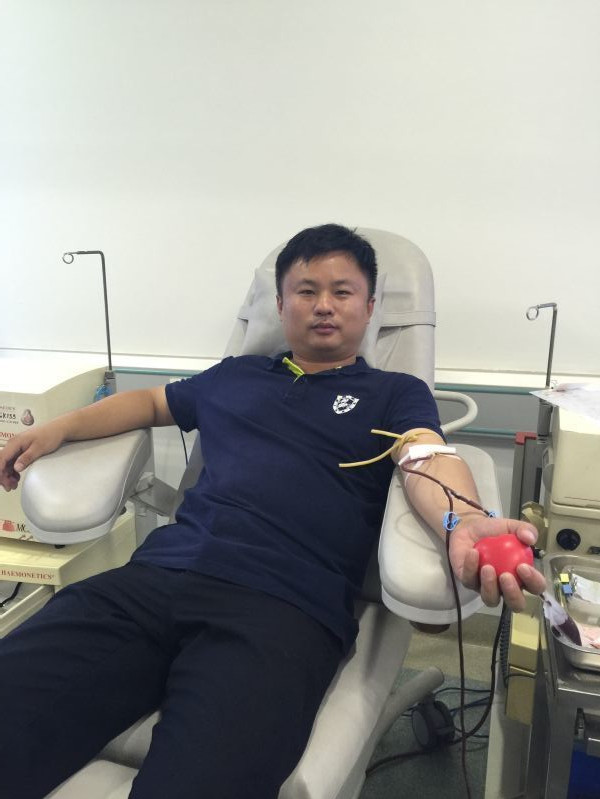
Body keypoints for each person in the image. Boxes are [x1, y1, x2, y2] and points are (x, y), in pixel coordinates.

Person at [0, 224, 545, 799]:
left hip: (282, 609)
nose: (324, 305)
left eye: (342, 291)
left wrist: (464, 518)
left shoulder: (393, 391)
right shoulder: (236, 376)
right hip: (154, 579)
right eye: (306, 291)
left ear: (370, 308)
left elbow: (425, 455)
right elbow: (150, 402)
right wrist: (60, 428)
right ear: (281, 306)